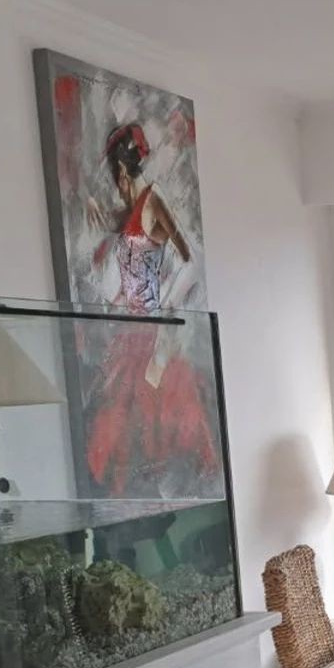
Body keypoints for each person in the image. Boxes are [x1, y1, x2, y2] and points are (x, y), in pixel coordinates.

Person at [78, 122, 219, 497]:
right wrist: (92, 206)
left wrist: (168, 304)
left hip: (151, 325)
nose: (117, 185)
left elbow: (190, 258)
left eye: (115, 175)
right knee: (119, 407)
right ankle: (125, 488)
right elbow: (111, 225)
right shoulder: (129, 210)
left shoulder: (153, 200)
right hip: (130, 327)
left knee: (141, 404)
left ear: (121, 171)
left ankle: (146, 482)